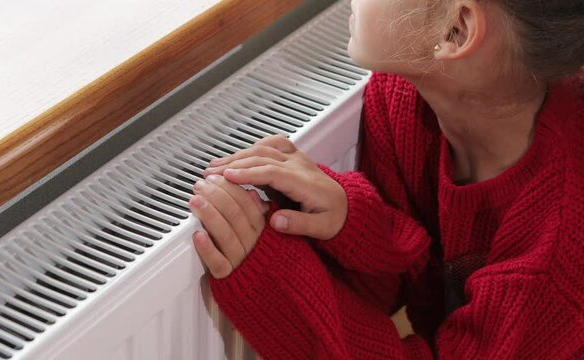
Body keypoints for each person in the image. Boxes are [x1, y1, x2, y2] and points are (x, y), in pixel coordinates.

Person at [188, 0, 584, 358]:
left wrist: (277, 288)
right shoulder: (404, 96)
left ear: (455, 30)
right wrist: (350, 219)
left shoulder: (560, 241)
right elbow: (396, 284)